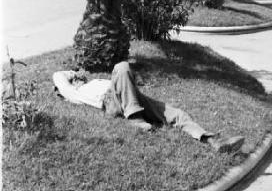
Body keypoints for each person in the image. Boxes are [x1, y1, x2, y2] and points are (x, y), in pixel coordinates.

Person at [53, 61, 245, 154]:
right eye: (76, 78)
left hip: (131, 97)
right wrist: (72, 74)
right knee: (121, 66)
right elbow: (57, 76)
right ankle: (135, 119)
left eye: (78, 77)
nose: (78, 78)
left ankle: (211, 139)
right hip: (110, 102)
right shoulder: (73, 93)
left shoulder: (94, 80)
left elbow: (121, 82)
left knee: (175, 113)